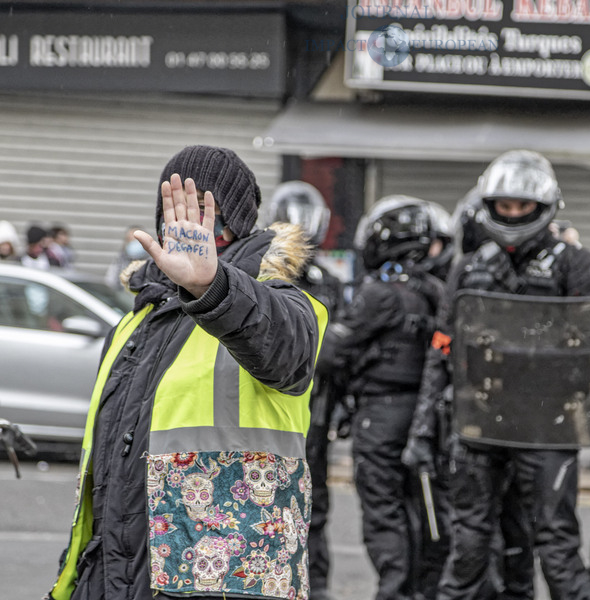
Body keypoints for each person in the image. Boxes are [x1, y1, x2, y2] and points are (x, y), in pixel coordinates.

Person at [47, 145, 327, 600]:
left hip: (222, 577)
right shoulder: (136, 320)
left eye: (203, 209)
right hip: (115, 574)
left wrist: (212, 286)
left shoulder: (276, 300)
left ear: (235, 222)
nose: (186, 224)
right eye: (174, 209)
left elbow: (287, 351)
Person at [404, 150, 590, 600]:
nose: (513, 214)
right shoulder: (470, 267)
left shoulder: (576, 264)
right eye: (505, 205)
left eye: (523, 205)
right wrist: (422, 430)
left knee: (557, 548)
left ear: (544, 205)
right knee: (469, 547)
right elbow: (441, 350)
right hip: (480, 424)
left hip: (548, 427)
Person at [319, 195, 447, 600]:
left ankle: (394, 592)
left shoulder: (379, 293)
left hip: (381, 417)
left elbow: (330, 352)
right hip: (426, 418)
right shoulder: (437, 291)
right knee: (420, 509)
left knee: (384, 512)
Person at [266, 180, 344, 600]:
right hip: (275, 407)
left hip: (317, 408)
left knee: (316, 502)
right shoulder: (262, 274)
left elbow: (340, 348)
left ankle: (318, 584)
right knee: (271, 499)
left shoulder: (328, 280)